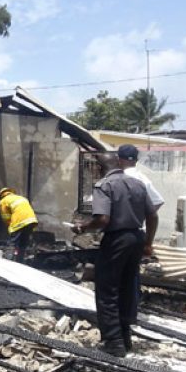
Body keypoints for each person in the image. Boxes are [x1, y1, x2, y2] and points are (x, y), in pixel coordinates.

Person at [73, 145, 158, 357]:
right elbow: (153, 216)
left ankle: (114, 343)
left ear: (99, 168)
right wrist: (148, 243)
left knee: (107, 290)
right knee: (127, 287)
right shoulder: (138, 184)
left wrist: (83, 227)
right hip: (136, 238)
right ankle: (126, 337)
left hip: (117, 240)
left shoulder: (104, 185)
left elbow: (103, 219)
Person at [0, 188, 38, 262]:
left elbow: (6, 217)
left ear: (1, 196)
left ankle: (8, 261)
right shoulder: (21, 198)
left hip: (19, 222)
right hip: (32, 221)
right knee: (23, 243)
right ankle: (20, 261)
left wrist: (10, 226)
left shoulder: (3, 201)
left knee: (12, 243)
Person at [119, 144, 165, 210]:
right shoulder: (143, 179)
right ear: (136, 160)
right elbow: (158, 201)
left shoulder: (115, 178)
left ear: (119, 160)